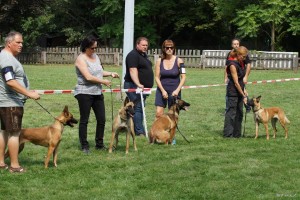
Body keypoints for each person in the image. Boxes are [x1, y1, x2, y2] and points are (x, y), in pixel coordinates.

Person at [0, 31, 40, 173]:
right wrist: (28, 93)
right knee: (14, 133)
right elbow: (10, 81)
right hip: (10, 102)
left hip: (6, 102)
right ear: (9, 43)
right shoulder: (7, 59)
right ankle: (15, 166)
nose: (21, 45)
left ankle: (1, 162)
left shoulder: (7, 57)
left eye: (22, 42)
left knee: (4, 132)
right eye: (18, 42)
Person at [74, 35, 119, 154]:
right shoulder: (81, 59)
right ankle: (84, 145)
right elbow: (88, 76)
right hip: (84, 92)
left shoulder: (96, 57)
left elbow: (99, 72)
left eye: (95, 48)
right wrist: (103, 82)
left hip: (97, 92)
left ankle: (99, 144)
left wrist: (110, 73)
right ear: (85, 47)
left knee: (102, 119)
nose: (94, 50)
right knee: (85, 120)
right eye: (92, 48)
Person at [154, 39, 186, 144]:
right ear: (163, 49)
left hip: (174, 91)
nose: (169, 49)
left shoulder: (179, 61)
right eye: (167, 47)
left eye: (171, 47)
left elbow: (183, 77)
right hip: (162, 90)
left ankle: (172, 138)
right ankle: (155, 135)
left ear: (174, 48)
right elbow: (157, 77)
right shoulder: (159, 61)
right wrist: (163, 91)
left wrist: (177, 90)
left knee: (173, 116)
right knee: (159, 113)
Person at [124, 37, 154, 136]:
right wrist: (138, 84)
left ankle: (137, 128)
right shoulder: (133, 55)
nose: (145, 47)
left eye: (146, 45)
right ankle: (139, 131)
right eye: (143, 45)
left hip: (142, 88)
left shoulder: (143, 55)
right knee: (137, 108)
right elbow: (133, 70)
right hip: (133, 85)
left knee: (140, 107)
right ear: (137, 45)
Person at [223, 46, 249, 138]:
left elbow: (241, 80)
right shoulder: (232, 64)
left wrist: (244, 90)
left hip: (240, 90)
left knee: (239, 113)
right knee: (231, 113)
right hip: (233, 92)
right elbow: (236, 83)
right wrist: (243, 95)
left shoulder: (240, 62)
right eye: (243, 57)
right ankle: (228, 134)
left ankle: (237, 134)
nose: (244, 59)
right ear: (238, 55)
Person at [224, 38, 251, 113]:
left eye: (237, 44)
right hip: (233, 79)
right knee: (230, 95)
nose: (236, 45)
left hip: (240, 77)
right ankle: (228, 109)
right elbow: (226, 67)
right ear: (232, 45)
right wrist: (225, 78)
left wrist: (246, 76)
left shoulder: (243, 53)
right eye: (234, 44)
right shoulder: (230, 55)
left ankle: (248, 106)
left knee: (243, 92)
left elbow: (248, 65)